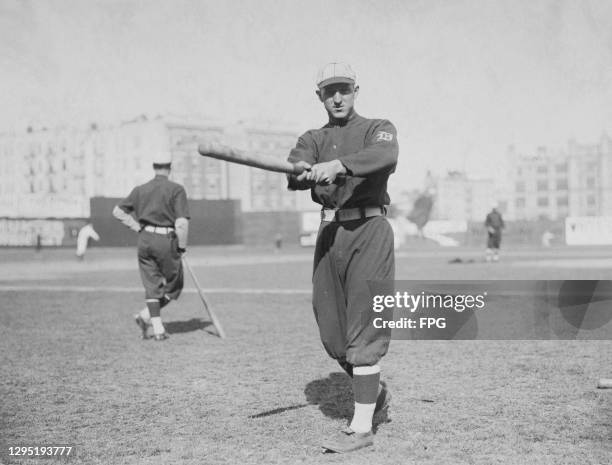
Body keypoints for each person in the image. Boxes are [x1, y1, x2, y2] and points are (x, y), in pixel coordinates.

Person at [287, 62, 398, 453]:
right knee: (333, 334)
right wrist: (301, 172)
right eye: (329, 91)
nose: (337, 97)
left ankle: (362, 427)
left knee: (364, 328)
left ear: (356, 91)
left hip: (369, 230)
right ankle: (375, 393)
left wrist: (340, 165)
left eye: (344, 90)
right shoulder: (312, 137)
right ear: (319, 95)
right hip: (330, 232)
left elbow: (384, 156)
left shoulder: (376, 128)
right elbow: (295, 167)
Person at [112, 153, 189, 341]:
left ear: (154, 167)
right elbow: (181, 223)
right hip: (166, 240)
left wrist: (137, 226)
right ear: (169, 168)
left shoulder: (140, 189)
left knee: (151, 285)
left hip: (145, 239)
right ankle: (154, 324)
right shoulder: (176, 189)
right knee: (175, 286)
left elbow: (117, 211)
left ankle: (150, 321)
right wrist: (182, 246)